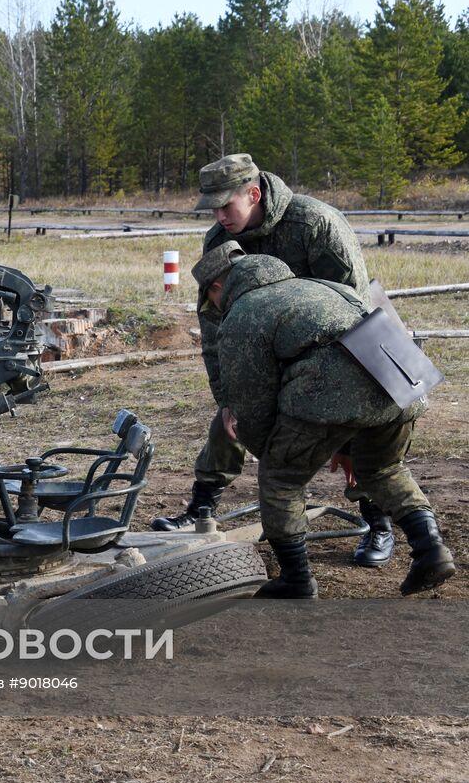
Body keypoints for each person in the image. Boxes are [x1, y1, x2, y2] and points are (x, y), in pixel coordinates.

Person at [154, 153, 395, 568]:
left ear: (254, 193)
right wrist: (228, 398)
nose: (219, 217)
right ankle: (200, 509)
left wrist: (351, 422)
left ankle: (377, 522)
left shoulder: (316, 224)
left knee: (361, 438)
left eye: (226, 206)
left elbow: (355, 309)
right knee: (229, 422)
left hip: (335, 352)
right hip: (264, 349)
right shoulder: (220, 241)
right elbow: (216, 329)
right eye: (211, 207)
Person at [193, 242, 455, 598]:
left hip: (332, 396)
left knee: (282, 479)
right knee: (384, 469)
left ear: (218, 288)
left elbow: (252, 401)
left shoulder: (246, 312)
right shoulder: (324, 287)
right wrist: (344, 442)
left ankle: (296, 580)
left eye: (211, 301)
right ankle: (432, 550)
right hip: (403, 383)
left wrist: (268, 450)